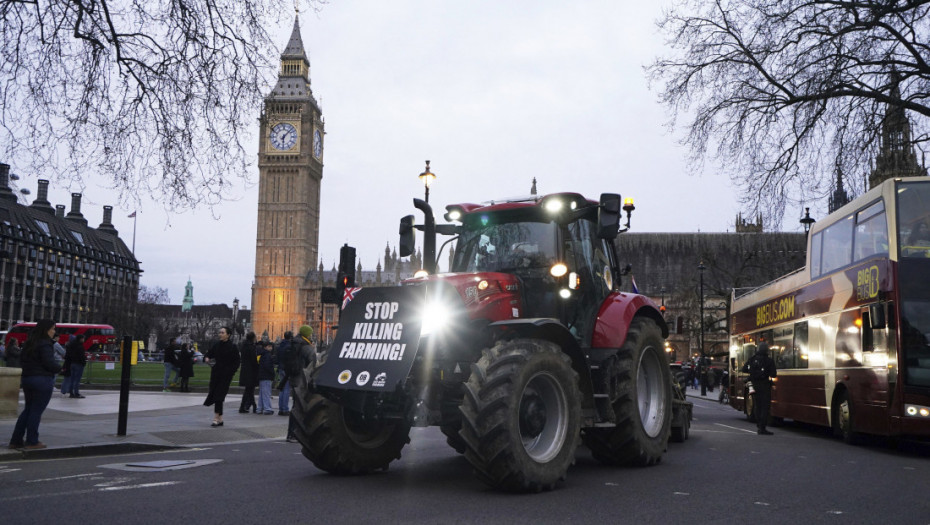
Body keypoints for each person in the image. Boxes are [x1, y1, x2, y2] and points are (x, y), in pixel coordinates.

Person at [8, 320, 59, 449]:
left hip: (27, 378)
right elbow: (49, 363)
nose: (54, 332)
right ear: (46, 330)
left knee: (28, 410)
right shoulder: (45, 344)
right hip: (42, 380)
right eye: (53, 329)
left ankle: (16, 440)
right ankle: (32, 440)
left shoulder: (29, 343)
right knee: (36, 411)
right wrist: (60, 369)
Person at [285, 325, 317, 443]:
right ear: (307, 334)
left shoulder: (294, 342)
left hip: (293, 377)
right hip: (301, 378)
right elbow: (313, 362)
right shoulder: (305, 346)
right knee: (299, 407)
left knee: (295, 405)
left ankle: (292, 433)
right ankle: (293, 433)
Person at [203, 326, 240, 427]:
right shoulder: (217, 345)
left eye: (223, 333)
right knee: (216, 395)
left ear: (228, 335)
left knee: (219, 396)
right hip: (216, 373)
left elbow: (237, 362)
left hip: (226, 375)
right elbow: (209, 354)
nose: (220, 334)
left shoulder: (233, 347)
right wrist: (206, 358)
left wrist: (231, 372)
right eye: (220, 332)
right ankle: (220, 419)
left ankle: (215, 417)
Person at [742, 336, 778, 435]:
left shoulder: (752, 359)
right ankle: (762, 427)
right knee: (765, 407)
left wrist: (753, 372)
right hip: (765, 385)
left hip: (753, 384)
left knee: (757, 405)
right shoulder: (769, 360)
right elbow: (773, 374)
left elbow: (744, 369)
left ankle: (759, 425)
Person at [238, 332, 259, 413]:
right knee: (249, 389)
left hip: (245, 369)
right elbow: (253, 360)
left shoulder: (244, 346)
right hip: (251, 370)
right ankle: (251, 406)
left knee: (248, 389)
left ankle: (248, 406)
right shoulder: (251, 347)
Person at [276, 331, 294, 416]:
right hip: (286, 369)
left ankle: (281, 408)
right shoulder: (289, 347)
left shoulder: (280, 345)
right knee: (286, 389)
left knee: (282, 388)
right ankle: (285, 409)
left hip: (280, 367)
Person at [256, 341, 276, 415]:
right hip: (266, 376)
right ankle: (267, 408)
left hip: (262, 375)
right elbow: (268, 366)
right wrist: (272, 373)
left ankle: (260, 408)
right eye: (269, 346)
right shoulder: (267, 355)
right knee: (266, 393)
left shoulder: (262, 354)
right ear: (265, 347)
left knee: (262, 393)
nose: (271, 348)